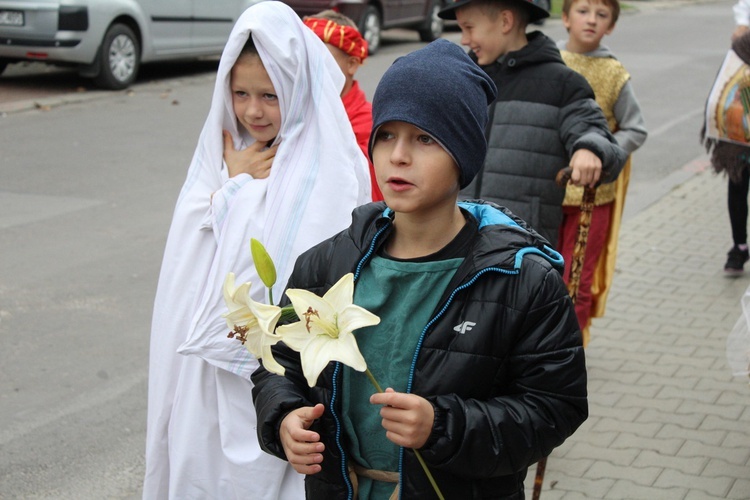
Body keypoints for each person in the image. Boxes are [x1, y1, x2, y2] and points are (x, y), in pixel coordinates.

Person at [252, 39, 588, 499]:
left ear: (464, 153)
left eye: (425, 138)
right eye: (386, 135)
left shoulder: (521, 280)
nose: (398, 156)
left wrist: (444, 425)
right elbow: (278, 363)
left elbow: (555, 407)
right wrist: (284, 416)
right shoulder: (327, 263)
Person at [142, 3, 371, 499]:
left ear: (296, 87)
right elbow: (190, 239)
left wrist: (234, 189)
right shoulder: (224, 148)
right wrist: (236, 181)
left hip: (281, 374)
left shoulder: (327, 159)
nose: (252, 110)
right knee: (201, 464)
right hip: (206, 367)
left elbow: (319, 256)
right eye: (240, 93)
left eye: (270, 95)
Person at [438, 0, 628, 248]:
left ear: (505, 21)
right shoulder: (463, 78)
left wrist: (590, 149)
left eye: (469, 27)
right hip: (454, 241)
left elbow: (596, 131)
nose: (464, 39)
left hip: (521, 252)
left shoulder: (562, 84)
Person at [556, 0, 647, 345]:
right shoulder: (550, 64)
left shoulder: (614, 73)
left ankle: (569, 351)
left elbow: (635, 129)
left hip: (593, 199)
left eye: (602, 15)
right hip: (548, 192)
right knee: (542, 274)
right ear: (565, 17)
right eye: (582, 11)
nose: (591, 20)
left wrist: (602, 153)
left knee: (576, 279)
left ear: (610, 26)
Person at [304, 11, 384, 202]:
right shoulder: (289, 115)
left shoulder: (371, 125)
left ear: (352, 64)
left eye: (323, 61)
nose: (310, 71)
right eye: (304, 60)